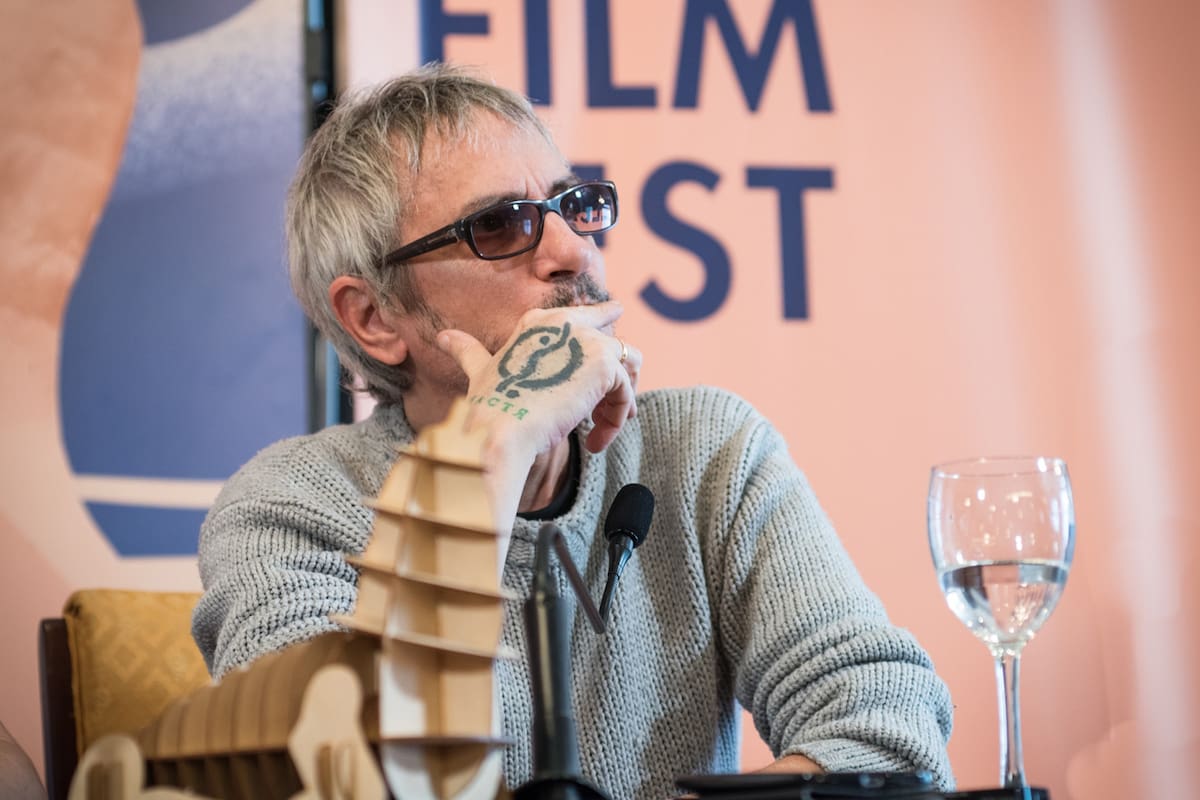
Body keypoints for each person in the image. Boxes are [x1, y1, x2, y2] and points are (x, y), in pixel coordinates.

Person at [192, 63, 953, 798]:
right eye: (500, 225)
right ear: (375, 317)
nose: (573, 251)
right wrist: (491, 451)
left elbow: (892, 736)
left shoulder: (704, 451)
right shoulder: (287, 507)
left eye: (573, 205)